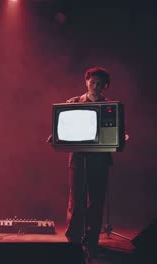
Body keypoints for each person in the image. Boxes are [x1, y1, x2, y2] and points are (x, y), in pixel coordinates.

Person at [62, 67, 128, 258]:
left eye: (99, 84)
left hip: (100, 160)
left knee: (96, 202)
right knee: (75, 202)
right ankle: (73, 242)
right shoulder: (73, 103)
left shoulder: (111, 106)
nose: (95, 86)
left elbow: (119, 132)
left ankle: (91, 242)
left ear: (104, 86)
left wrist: (121, 138)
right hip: (78, 159)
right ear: (86, 82)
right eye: (92, 82)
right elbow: (64, 127)